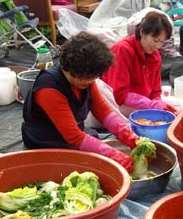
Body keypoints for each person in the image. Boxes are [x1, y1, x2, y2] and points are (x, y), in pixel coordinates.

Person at [22, 31, 140, 172]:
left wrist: (128, 135)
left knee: (104, 147)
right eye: (87, 77)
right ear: (70, 68)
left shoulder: (85, 79)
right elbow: (74, 136)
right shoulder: (49, 87)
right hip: (46, 143)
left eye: (93, 77)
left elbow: (102, 111)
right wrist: (114, 155)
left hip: (73, 135)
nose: (90, 81)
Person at [101, 11, 177, 117]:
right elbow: (119, 94)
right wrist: (149, 104)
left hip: (141, 103)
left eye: (161, 42)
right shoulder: (123, 50)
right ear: (142, 32)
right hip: (115, 104)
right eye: (155, 40)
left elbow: (155, 92)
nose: (158, 46)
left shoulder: (155, 56)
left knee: (177, 108)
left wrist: (157, 102)